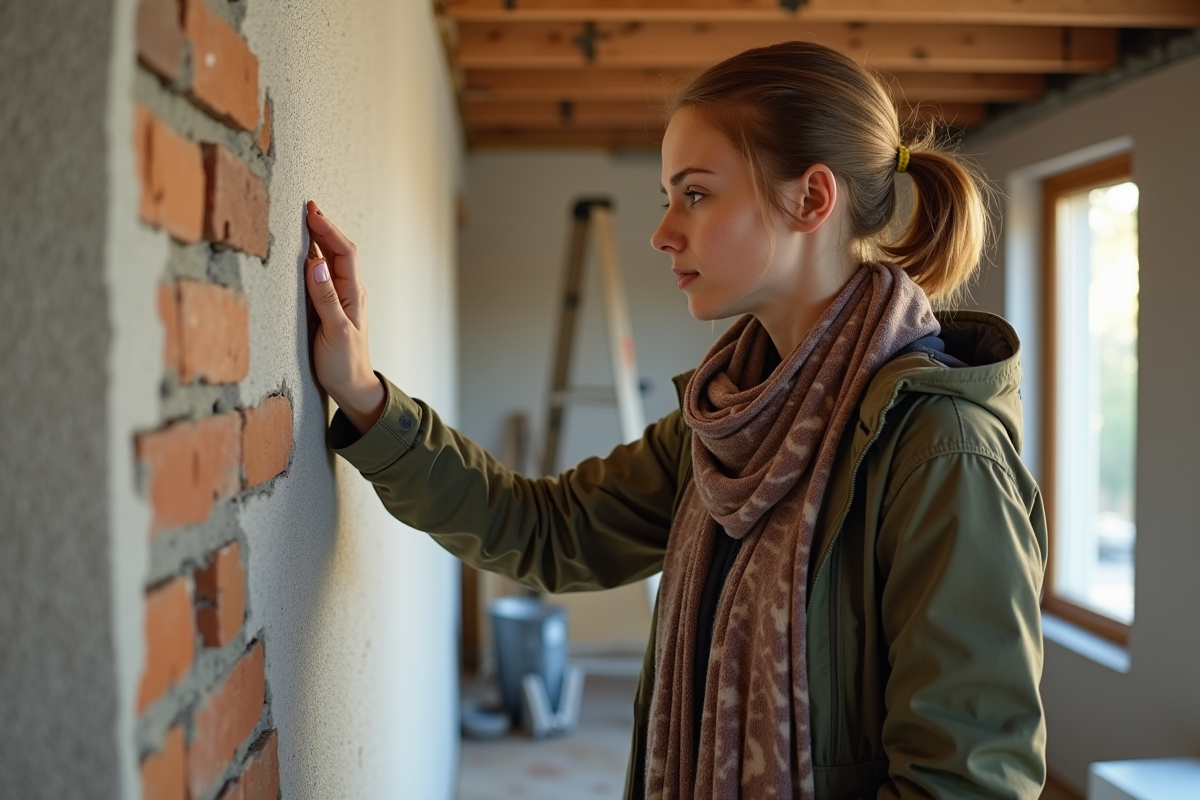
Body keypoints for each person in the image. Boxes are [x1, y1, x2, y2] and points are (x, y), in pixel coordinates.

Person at [303, 40, 1047, 800]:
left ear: (811, 200)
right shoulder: (727, 416)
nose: (663, 232)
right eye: (670, 195)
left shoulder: (942, 452)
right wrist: (364, 395)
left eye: (694, 194)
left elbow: (964, 784)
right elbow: (548, 530)